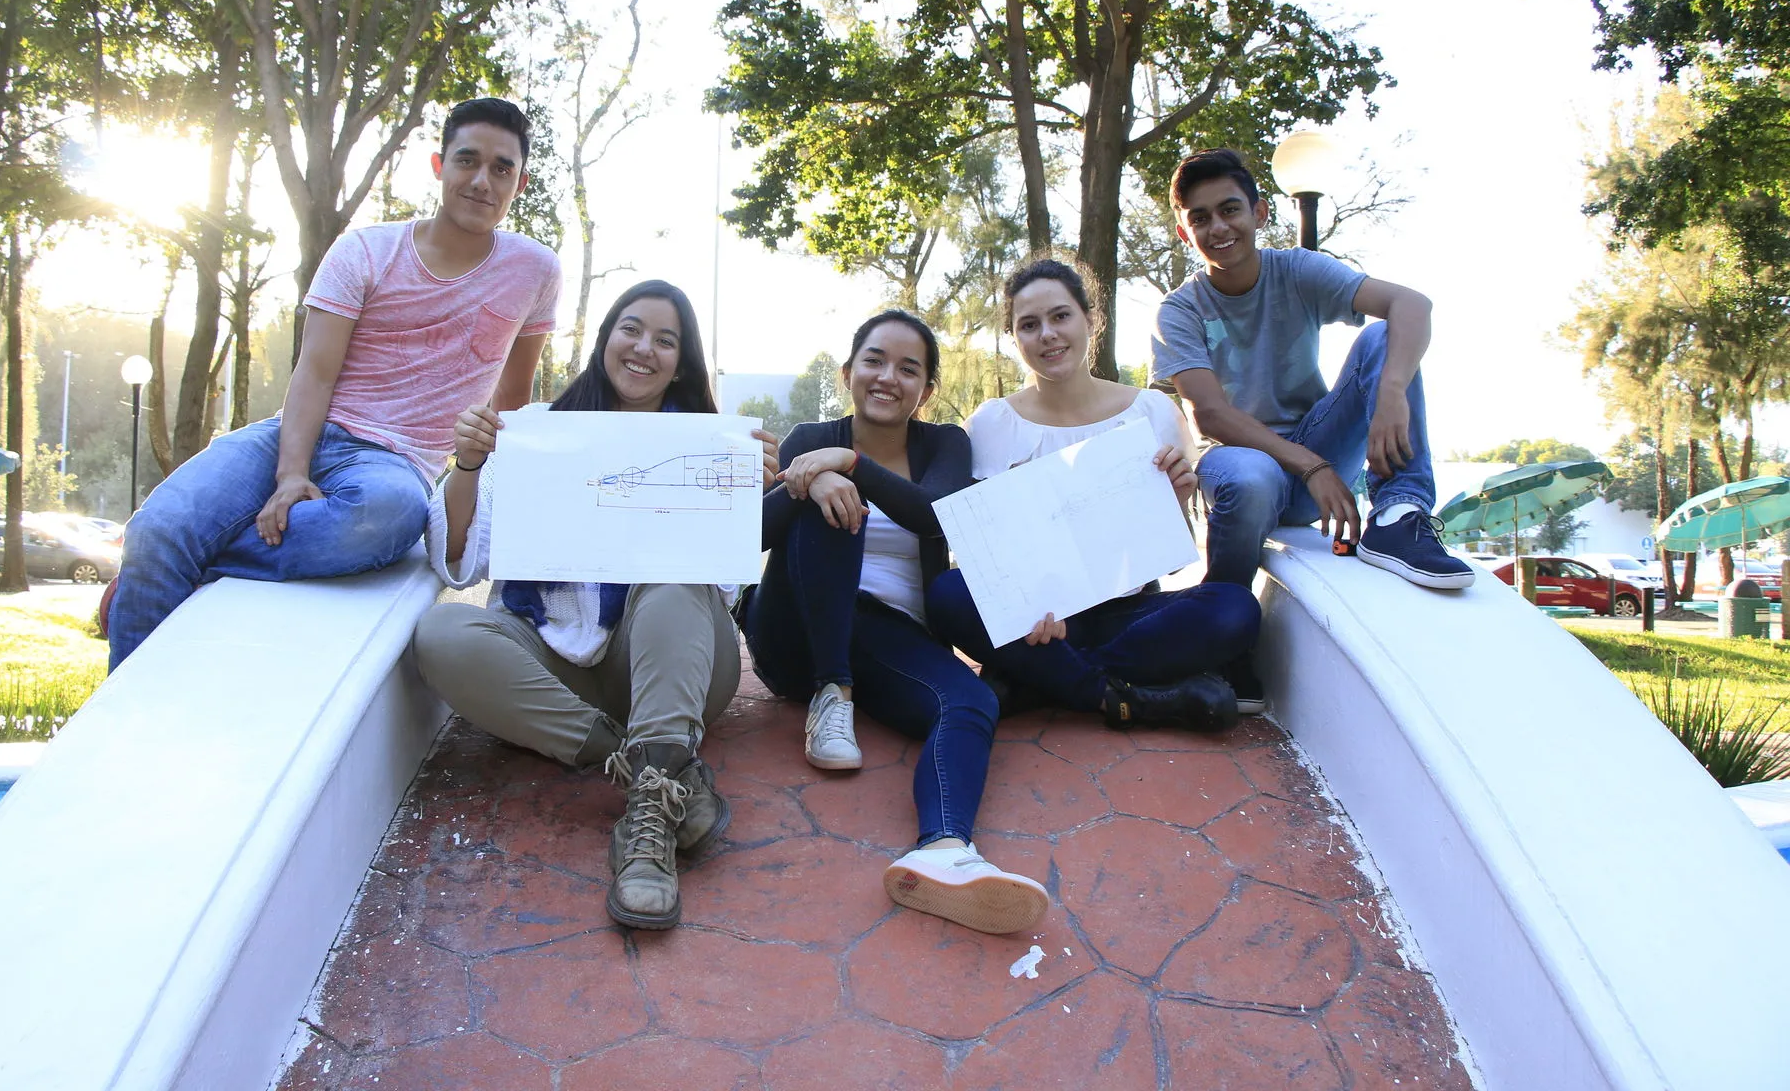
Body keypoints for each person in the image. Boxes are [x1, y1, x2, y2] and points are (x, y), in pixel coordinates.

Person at [108, 98, 560, 669]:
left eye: (501, 168)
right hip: (298, 432)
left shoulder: (535, 270)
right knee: (156, 530)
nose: (481, 181)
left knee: (391, 516)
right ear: (438, 165)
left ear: (519, 183)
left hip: (394, 465)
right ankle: (142, 652)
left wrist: (501, 503)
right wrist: (291, 474)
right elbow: (314, 372)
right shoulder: (365, 250)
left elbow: (511, 402)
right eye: (467, 160)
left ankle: (185, 567)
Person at [412, 281, 777, 932]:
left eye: (666, 340)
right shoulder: (535, 431)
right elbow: (462, 557)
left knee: (676, 579)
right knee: (443, 633)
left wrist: (743, 492)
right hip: (554, 672)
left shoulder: (706, 443)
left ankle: (650, 826)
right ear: (606, 337)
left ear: (682, 363)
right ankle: (649, 770)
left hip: (671, 667)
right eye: (631, 329)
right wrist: (467, 464)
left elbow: (719, 587)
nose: (644, 348)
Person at [741, 309, 1048, 936]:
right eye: (875, 361)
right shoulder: (808, 436)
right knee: (829, 498)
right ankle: (832, 692)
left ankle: (944, 850)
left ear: (926, 391)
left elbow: (933, 514)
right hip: (796, 632)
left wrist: (850, 464)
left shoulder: (945, 445)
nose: (888, 377)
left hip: (889, 637)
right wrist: (808, 481)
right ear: (848, 372)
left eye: (909, 370)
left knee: (971, 701)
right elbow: (749, 539)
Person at [925, 259, 1261, 726]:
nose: (1047, 334)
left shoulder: (1150, 411)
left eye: (1060, 316)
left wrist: (1176, 503)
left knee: (1235, 609)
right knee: (947, 594)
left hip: (1129, 614)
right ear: (1014, 337)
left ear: (1091, 319)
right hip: (1036, 619)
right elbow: (985, 557)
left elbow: (1168, 564)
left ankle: (1039, 682)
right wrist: (1030, 605)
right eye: (1029, 325)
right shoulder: (992, 424)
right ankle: (1112, 695)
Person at [1152, 148, 1473, 591]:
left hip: (1317, 447)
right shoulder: (1178, 310)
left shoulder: (1297, 270)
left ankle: (1399, 514)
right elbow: (1210, 415)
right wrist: (1312, 466)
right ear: (1185, 234)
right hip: (1238, 466)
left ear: (1259, 213)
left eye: (1230, 210)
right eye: (1201, 218)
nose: (1219, 227)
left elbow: (1411, 304)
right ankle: (1223, 601)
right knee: (1252, 476)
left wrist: (1392, 392)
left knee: (1383, 336)